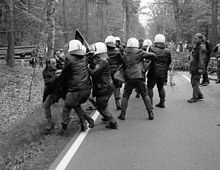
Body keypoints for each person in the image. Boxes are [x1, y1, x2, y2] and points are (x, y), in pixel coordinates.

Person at [59, 40, 94, 135]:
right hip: (87, 89)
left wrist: (61, 84)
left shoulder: (69, 58)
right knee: (75, 104)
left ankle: (64, 128)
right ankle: (84, 123)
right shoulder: (84, 57)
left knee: (67, 106)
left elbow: (65, 74)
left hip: (76, 89)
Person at [118, 38, 156, 120]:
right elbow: (153, 56)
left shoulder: (125, 55)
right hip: (139, 77)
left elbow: (123, 66)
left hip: (129, 78)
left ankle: (122, 114)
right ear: (136, 45)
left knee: (126, 96)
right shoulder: (139, 52)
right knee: (145, 94)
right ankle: (150, 113)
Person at [88, 42, 118, 129]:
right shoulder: (101, 60)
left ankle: (112, 122)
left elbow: (94, 73)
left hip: (104, 87)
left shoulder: (102, 61)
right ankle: (106, 117)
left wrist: (87, 67)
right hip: (106, 86)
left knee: (100, 107)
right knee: (102, 104)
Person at [147, 34, 171, 108]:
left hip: (153, 71)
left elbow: (147, 59)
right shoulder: (167, 51)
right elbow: (169, 61)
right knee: (161, 87)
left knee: (150, 87)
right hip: (163, 72)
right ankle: (162, 102)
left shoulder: (152, 49)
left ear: (156, 41)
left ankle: (150, 104)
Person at [105, 35, 123, 110]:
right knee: (117, 87)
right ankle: (117, 103)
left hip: (107, 72)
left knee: (107, 88)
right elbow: (121, 60)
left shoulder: (104, 51)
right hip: (115, 71)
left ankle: (105, 104)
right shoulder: (117, 51)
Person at [42, 58, 61, 131]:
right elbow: (47, 82)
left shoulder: (59, 67)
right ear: (48, 64)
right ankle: (49, 124)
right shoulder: (45, 72)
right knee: (46, 105)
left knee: (71, 103)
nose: (55, 64)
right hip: (52, 91)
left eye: (55, 63)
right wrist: (56, 76)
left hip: (61, 90)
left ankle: (84, 118)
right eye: (53, 63)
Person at [187, 33, 206, 103]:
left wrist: (200, 68)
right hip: (194, 66)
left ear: (200, 39)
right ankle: (200, 95)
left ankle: (195, 97)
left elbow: (202, 58)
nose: (195, 40)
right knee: (193, 81)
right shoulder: (197, 46)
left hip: (197, 67)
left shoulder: (201, 47)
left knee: (195, 82)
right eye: (194, 38)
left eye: (196, 38)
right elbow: (196, 56)